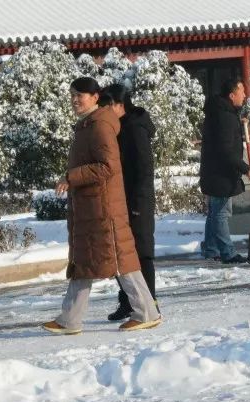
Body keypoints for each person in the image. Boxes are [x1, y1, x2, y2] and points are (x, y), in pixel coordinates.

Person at [42, 77, 161, 335]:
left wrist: (71, 178)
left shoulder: (100, 126)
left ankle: (147, 312)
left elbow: (108, 166)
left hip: (104, 208)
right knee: (85, 262)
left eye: (80, 95)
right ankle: (70, 319)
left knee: (121, 262)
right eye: (72, 94)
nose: (75, 99)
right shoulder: (88, 125)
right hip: (91, 207)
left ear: (96, 97)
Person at [100, 83, 157, 323]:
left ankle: (150, 301)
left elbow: (144, 170)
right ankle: (127, 301)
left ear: (120, 105)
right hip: (121, 199)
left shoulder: (135, 130)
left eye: (108, 106)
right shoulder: (118, 129)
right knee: (122, 253)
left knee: (141, 253)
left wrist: (137, 203)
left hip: (137, 201)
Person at [199, 77, 250, 264]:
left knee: (214, 211)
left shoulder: (220, 112)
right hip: (220, 172)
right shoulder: (225, 117)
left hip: (214, 170)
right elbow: (226, 149)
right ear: (231, 95)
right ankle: (227, 252)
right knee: (221, 212)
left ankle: (211, 249)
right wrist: (245, 168)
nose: (244, 95)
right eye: (241, 92)